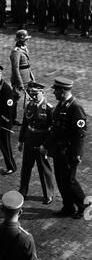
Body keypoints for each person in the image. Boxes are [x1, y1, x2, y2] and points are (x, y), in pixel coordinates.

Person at [46, 77, 89, 219]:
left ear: (63, 91)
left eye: (56, 90)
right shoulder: (61, 105)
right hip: (59, 152)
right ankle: (68, 207)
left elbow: (80, 134)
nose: (54, 93)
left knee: (70, 182)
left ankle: (84, 206)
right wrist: (47, 146)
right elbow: (55, 130)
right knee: (61, 180)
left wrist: (77, 155)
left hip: (69, 153)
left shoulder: (75, 108)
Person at [18, 82, 54, 204]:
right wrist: (21, 141)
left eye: (35, 94)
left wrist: (47, 145)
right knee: (26, 167)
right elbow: (24, 124)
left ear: (42, 93)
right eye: (31, 94)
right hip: (29, 140)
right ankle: (23, 191)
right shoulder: (29, 106)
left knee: (43, 168)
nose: (33, 96)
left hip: (41, 142)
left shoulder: (49, 109)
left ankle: (48, 194)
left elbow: (52, 130)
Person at [9, 29, 35, 125]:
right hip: (19, 78)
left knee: (31, 97)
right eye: (25, 39)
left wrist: (31, 77)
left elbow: (27, 65)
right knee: (15, 98)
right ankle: (11, 118)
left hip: (27, 77)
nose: (27, 41)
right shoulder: (16, 51)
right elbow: (15, 68)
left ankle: (30, 117)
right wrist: (19, 83)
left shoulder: (24, 48)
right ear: (20, 40)